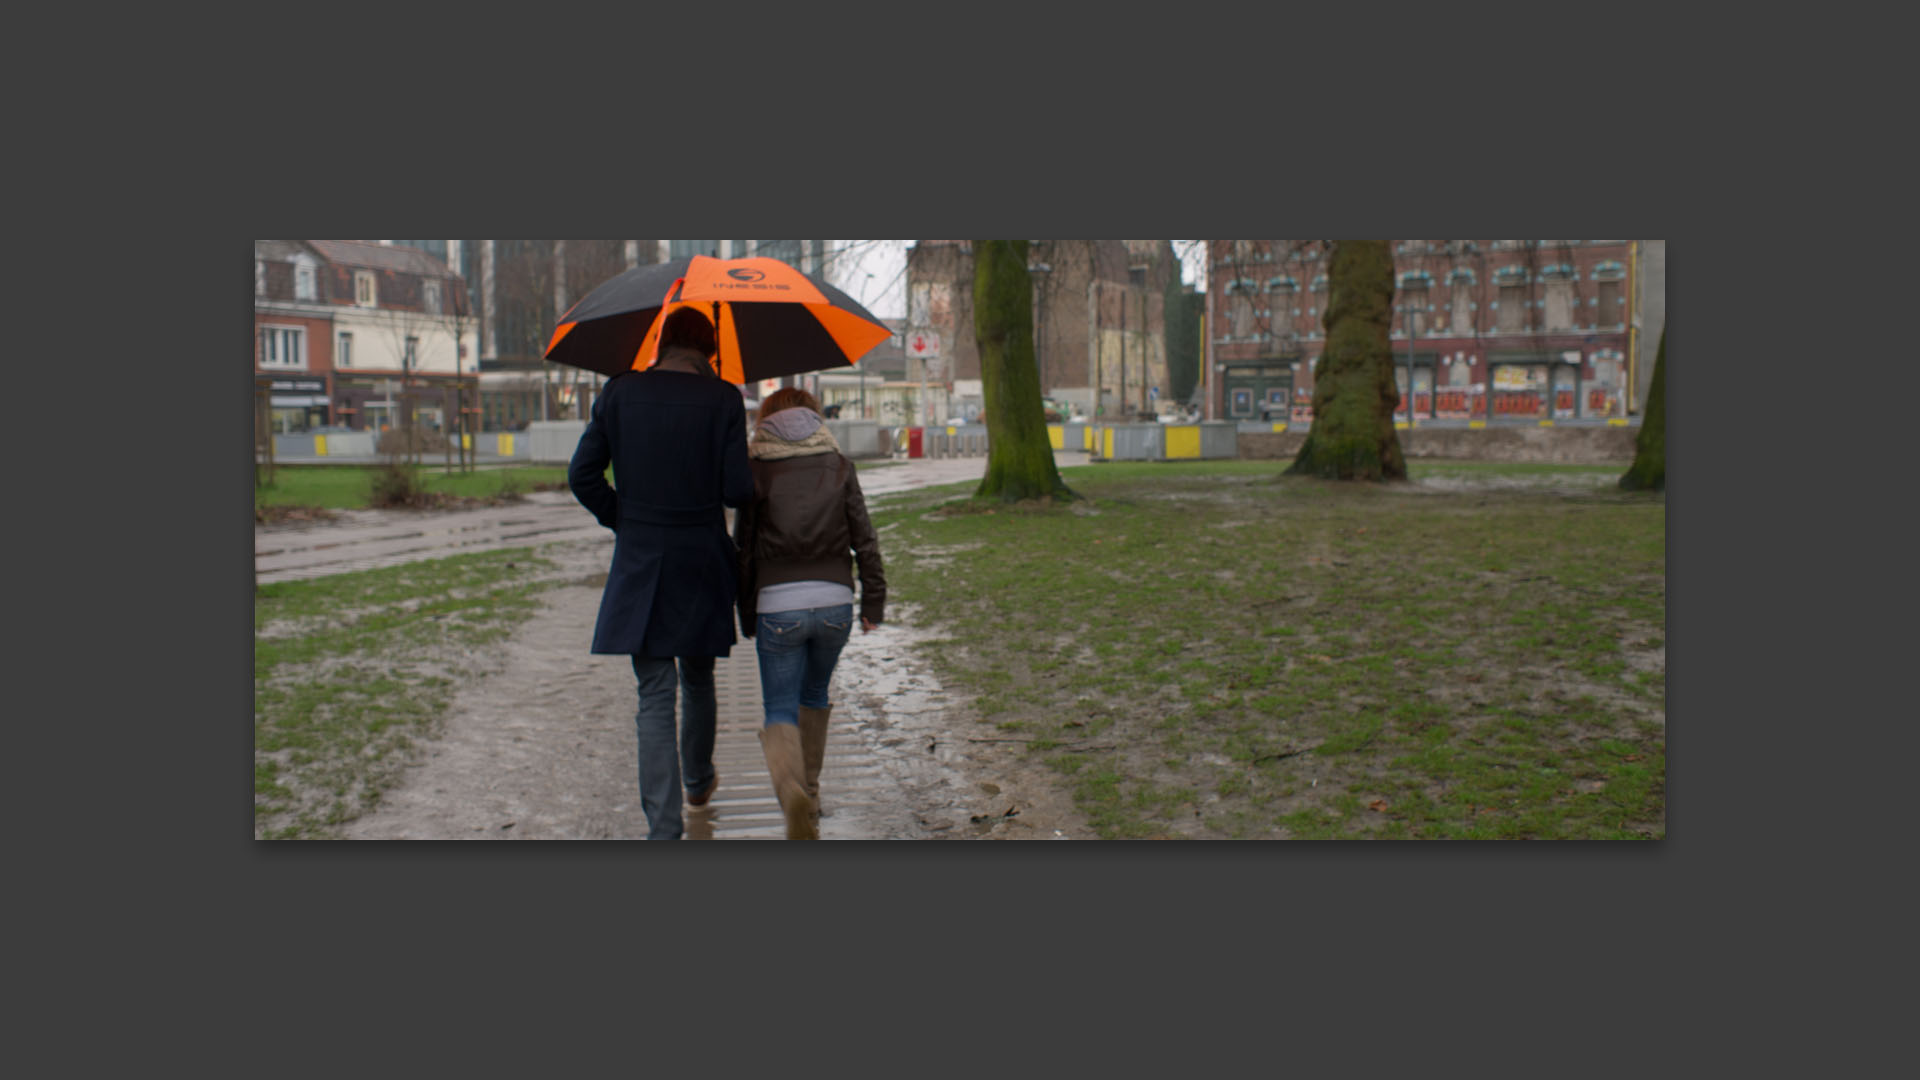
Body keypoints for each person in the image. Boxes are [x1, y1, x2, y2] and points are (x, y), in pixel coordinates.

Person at [568, 307, 753, 840]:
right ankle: (698, 781)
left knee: (653, 690)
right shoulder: (724, 401)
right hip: (700, 557)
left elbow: (582, 475)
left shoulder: (620, 393)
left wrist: (623, 517)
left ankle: (664, 831)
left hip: (642, 558)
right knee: (697, 677)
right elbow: (738, 492)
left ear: (663, 345)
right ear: (709, 352)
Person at [732, 387, 886, 840]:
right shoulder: (839, 465)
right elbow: (866, 538)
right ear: (816, 419)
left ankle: (790, 791)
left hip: (777, 606)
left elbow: (744, 549)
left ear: (766, 421)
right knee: (814, 693)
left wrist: (746, 612)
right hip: (835, 601)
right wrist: (873, 601)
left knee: (779, 706)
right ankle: (812, 798)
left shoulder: (755, 470)